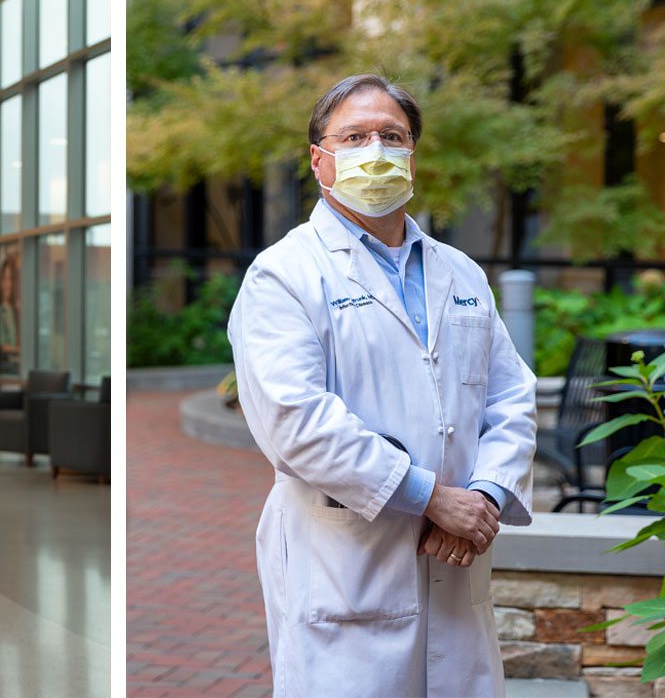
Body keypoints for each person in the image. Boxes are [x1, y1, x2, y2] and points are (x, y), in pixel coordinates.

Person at [227, 74, 537, 697]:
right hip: (346, 570)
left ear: (412, 155)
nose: (376, 150)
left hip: (457, 566)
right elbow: (296, 422)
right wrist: (431, 498)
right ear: (320, 160)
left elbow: (512, 397)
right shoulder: (284, 275)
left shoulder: (461, 272)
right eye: (355, 136)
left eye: (391, 136)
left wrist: (483, 496)